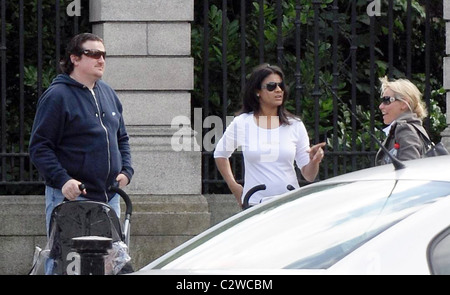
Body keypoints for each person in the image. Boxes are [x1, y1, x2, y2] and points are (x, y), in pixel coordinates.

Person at [29, 33, 134, 234]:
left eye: (103, 54)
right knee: (66, 261)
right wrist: (63, 180)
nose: (101, 60)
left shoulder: (108, 93)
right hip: (72, 198)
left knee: (108, 262)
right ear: (74, 58)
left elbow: (121, 138)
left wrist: (126, 170)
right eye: (93, 54)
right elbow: (39, 147)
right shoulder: (57, 96)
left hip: (110, 197)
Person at [214, 63, 325, 208]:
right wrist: (234, 186)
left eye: (281, 86)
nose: (279, 90)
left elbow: (309, 175)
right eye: (272, 86)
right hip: (254, 203)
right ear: (257, 91)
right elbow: (220, 153)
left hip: (289, 203)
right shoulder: (242, 123)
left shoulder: (295, 125)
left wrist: (314, 161)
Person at [375, 76, 429, 165]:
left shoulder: (405, 129)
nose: (380, 106)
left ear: (404, 104)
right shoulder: (414, 127)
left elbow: (408, 169)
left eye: (386, 100)